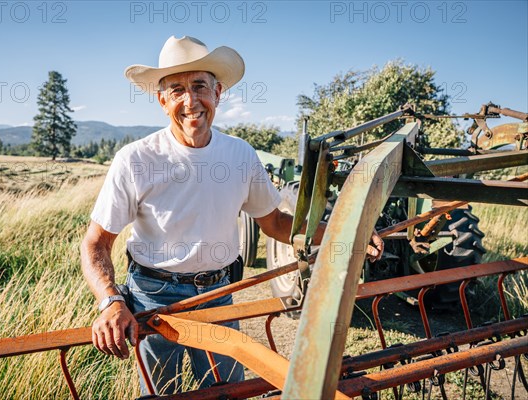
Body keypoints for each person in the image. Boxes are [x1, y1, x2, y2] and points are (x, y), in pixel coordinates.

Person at [80, 35, 384, 395]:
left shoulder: (240, 155)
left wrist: (349, 232)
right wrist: (112, 302)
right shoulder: (136, 160)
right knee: (162, 393)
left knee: (226, 392)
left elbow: (276, 224)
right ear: (162, 101)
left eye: (199, 87)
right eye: (176, 90)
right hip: (153, 298)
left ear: (218, 93)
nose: (190, 101)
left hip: (219, 294)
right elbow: (96, 244)